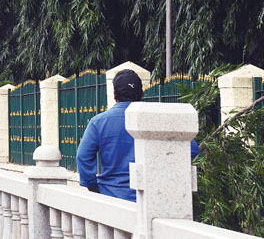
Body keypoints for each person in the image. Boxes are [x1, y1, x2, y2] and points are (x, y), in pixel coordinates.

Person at [77, 69, 200, 201]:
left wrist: (93, 187)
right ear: (141, 93)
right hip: (150, 197)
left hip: (111, 196)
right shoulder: (156, 118)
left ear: (114, 94)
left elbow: (83, 156)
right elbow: (191, 149)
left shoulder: (98, 122)